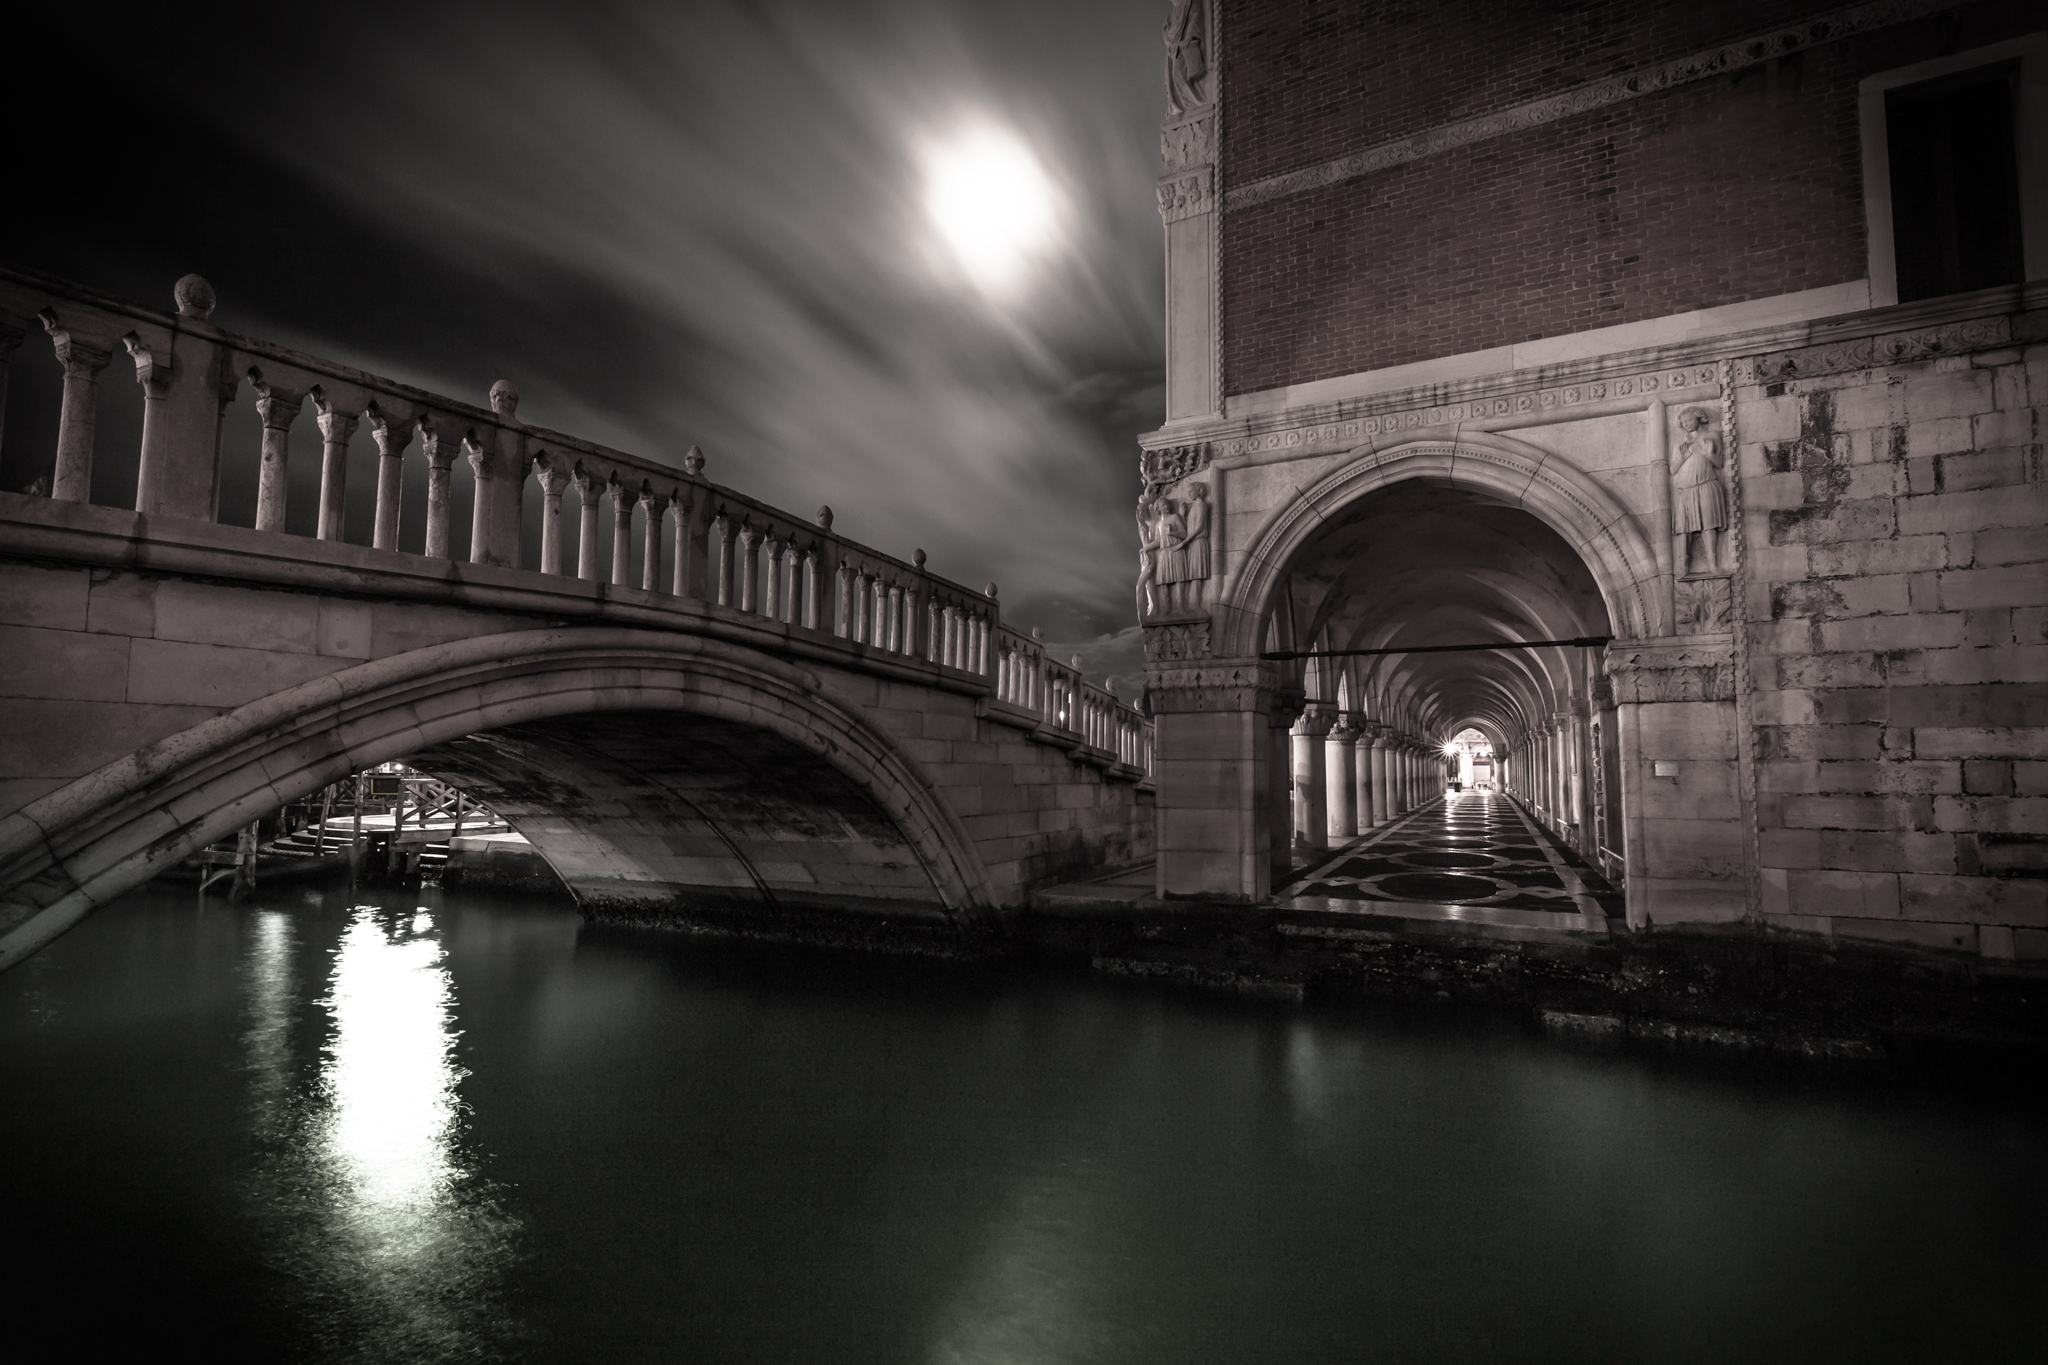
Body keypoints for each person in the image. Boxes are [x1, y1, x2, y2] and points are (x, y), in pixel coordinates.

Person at [1672, 406, 1727, 574]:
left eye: (1689, 420)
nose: (1686, 424)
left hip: (1706, 484)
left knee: (1709, 524)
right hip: (1685, 488)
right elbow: (1673, 470)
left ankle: (1712, 563)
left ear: (1699, 418)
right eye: (1683, 423)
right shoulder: (1680, 444)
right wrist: (1683, 457)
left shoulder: (1712, 437)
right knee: (1683, 527)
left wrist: (1709, 454)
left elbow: (1720, 464)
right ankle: (1683, 564)